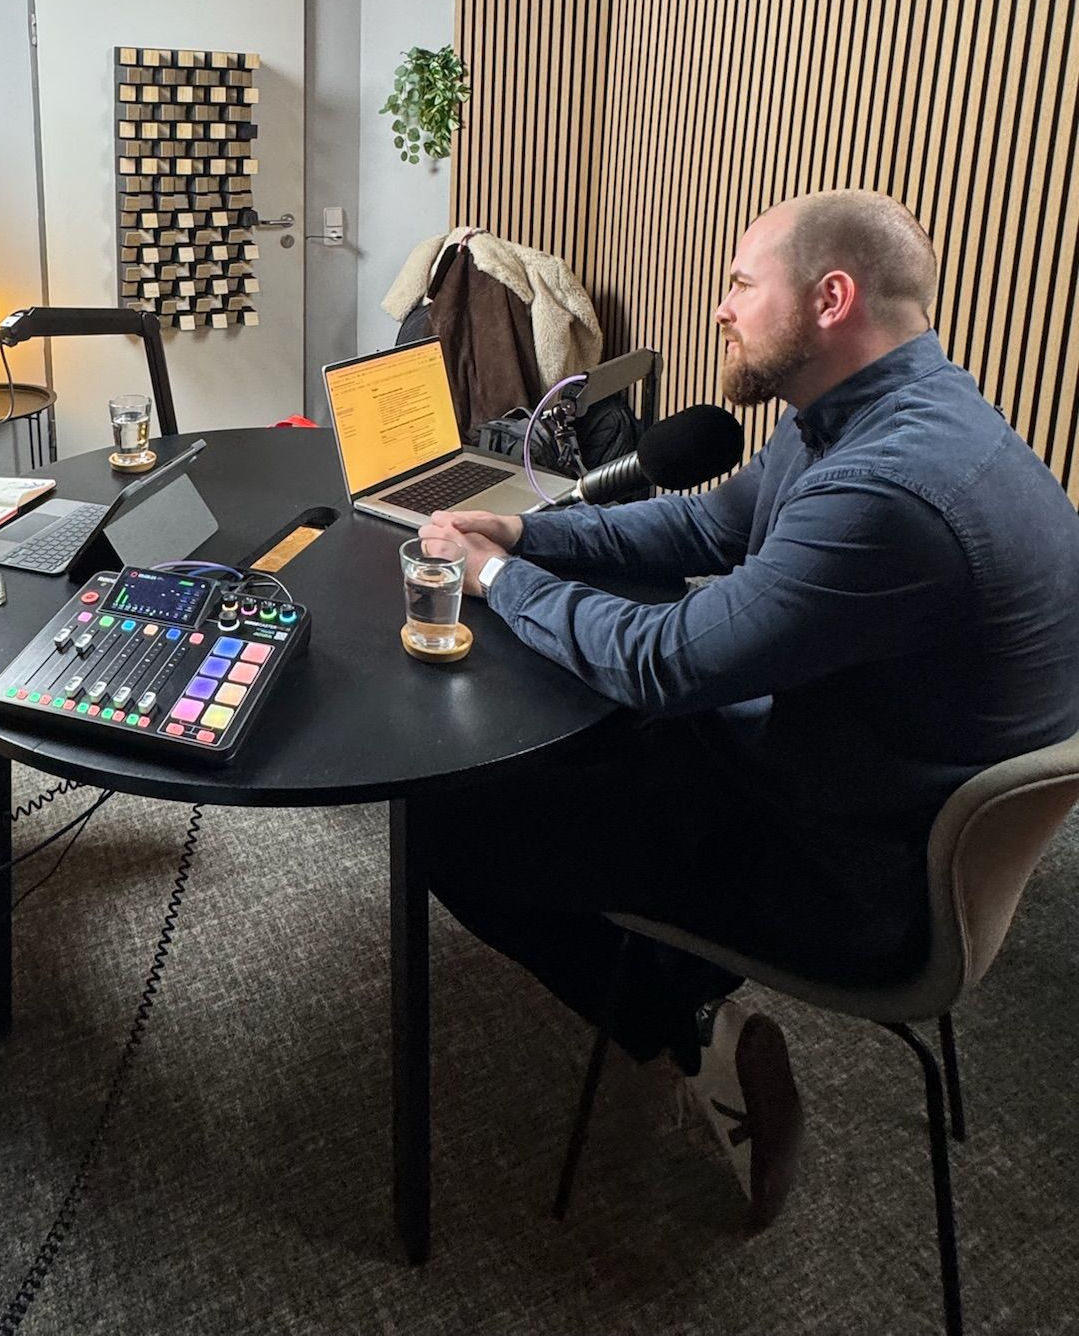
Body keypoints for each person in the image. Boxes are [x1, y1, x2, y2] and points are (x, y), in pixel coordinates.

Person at [418, 191, 1079, 1228]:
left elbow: (663, 661)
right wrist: (525, 531)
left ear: (830, 298)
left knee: (446, 826)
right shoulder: (879, 409)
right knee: (574, 748)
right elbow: (705, 529)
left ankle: (683, 1023)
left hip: (858, 875)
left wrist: (495, 579)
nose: (721, 308)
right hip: (870, 771)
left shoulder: (888, 492)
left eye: (739, 283)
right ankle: (667, 960)